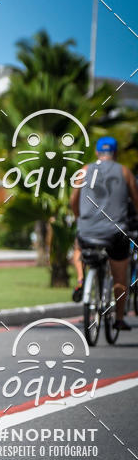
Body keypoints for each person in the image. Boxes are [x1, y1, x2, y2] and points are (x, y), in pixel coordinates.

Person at [70, 136, 138, 330]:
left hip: (87, 232)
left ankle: (82, 279)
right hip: (116, 233)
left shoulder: (84, 171)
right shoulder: (124, 172)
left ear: (97, 152)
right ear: (115, 153)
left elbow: (73, 199)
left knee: (79, 247)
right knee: (120, 274)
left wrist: (79, 218)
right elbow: (136, 199)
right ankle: (118, 318)